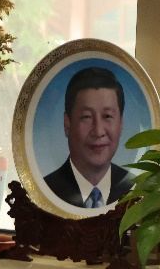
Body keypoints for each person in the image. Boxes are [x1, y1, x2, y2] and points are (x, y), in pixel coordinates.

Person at [42, 66, 133, 209]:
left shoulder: (135, 190)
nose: (98, 131)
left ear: (121, 124)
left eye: (107, 116)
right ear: (67, 124)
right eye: (86, 117)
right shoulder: (44, 191)